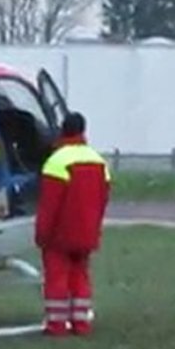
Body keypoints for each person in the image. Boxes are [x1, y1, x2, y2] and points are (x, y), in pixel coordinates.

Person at [35, 112, 111, 336]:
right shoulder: (98, 161)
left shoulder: (57, 161)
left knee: (57, 278)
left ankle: (56, 325)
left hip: (60, 235)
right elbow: (103, 199)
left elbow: (49, 204)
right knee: (80, 276)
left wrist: (42, 234)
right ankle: (81, 322)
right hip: (87, 232)